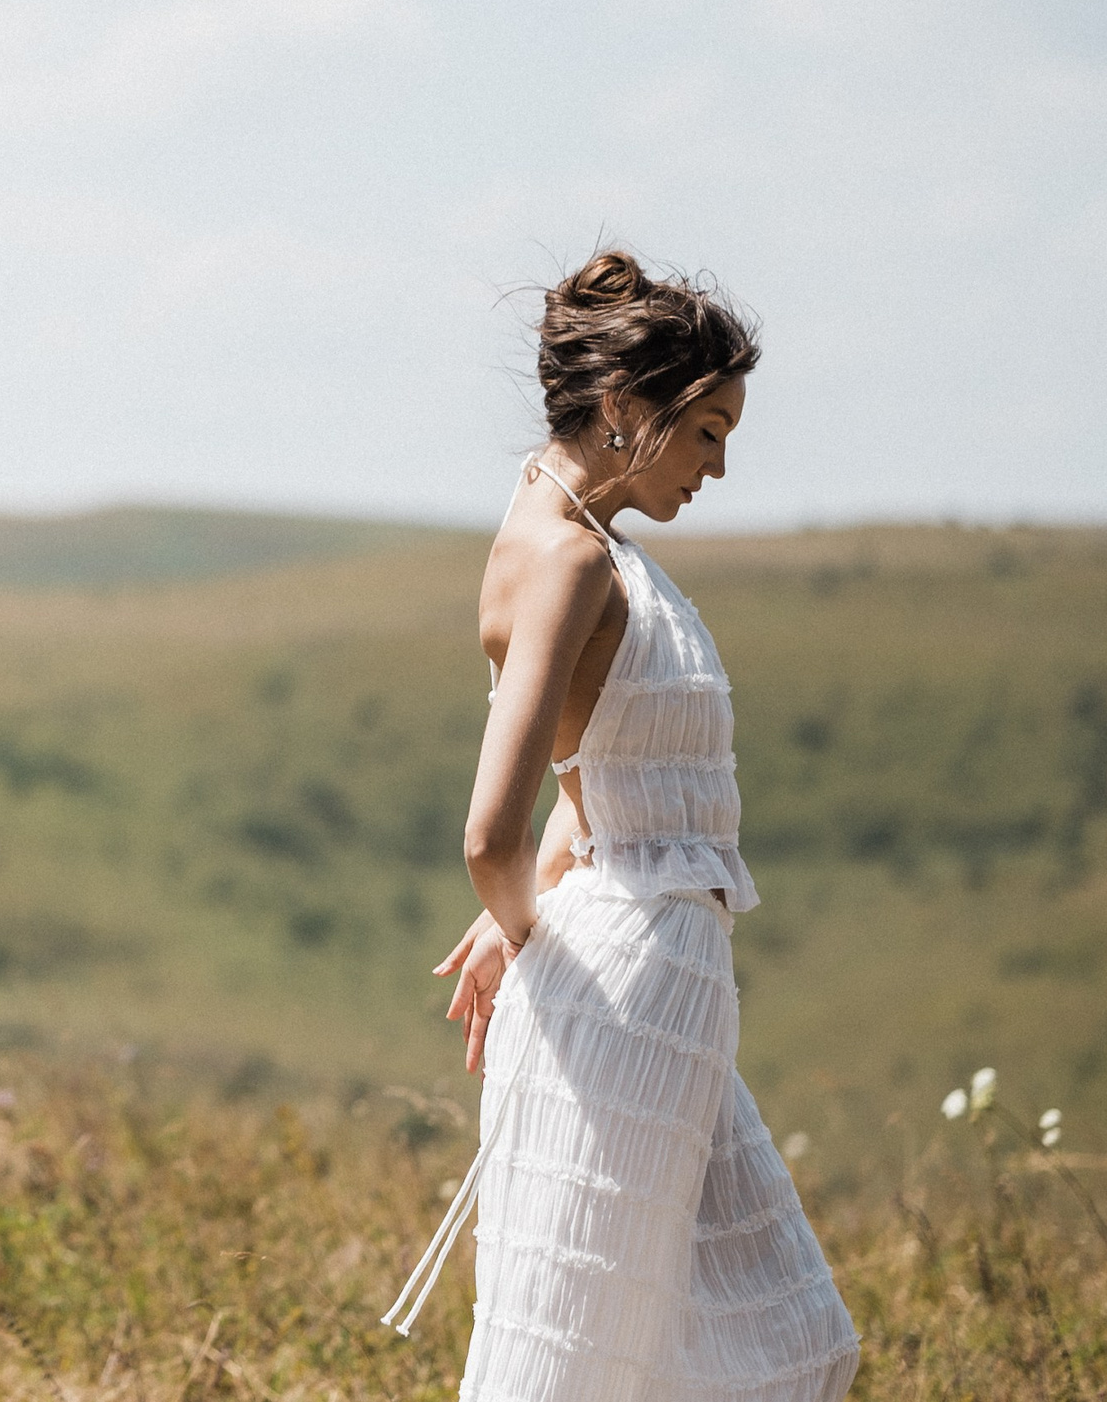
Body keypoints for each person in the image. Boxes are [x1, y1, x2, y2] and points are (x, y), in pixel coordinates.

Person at [380, 252, 861, 1400]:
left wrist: (526, 920)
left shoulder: (591, 549)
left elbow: (579, 781)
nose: (719, 464)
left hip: (657, 979)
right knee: (583, 1358)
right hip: (623, 981)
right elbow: (489, 836)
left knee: (788, 1343)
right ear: (621, 409)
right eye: (704, 430)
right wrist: (525, 932)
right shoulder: (567, 560)